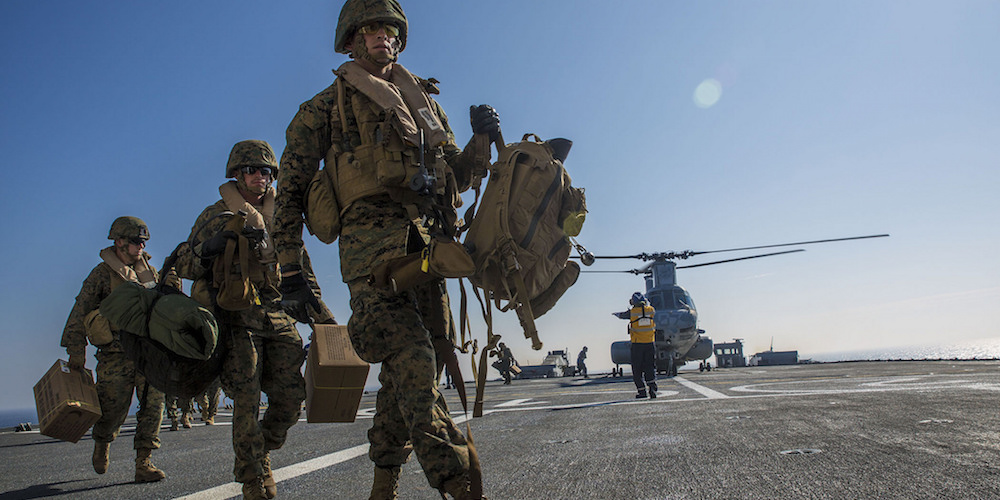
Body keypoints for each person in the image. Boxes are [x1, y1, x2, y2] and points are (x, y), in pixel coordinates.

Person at [272, 1, 498, 497]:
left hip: (429, 252)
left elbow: (456, 177)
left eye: (389, 29)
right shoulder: (323, 109)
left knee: (413, 373)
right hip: (372, 257)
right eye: (370, 28)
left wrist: (482, 141)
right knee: (411, 354)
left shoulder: (426, 106)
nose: (381, 36)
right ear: (353, 39)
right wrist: (289, 268)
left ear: (399, 38)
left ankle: (382, 484)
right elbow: (287, 191)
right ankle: (457, 478)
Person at [175, 140, 311, 499]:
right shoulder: (215, 214)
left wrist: (322, 317)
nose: (259, 177)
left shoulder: (280, 216)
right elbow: (185, 264)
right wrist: (213, 245)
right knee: (247, 400)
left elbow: (300, 269)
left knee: (292, 395)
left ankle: (262, 448)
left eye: (265, 171)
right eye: (251, 170)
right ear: (236, 174)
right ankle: (253, 478)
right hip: (236, 318)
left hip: (277, 317)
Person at [60, 216, 171, 482]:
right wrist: (76, 350)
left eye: (143, 242)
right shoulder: (101, 274)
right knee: (112, 408)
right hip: (115, 354)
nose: (140, 246)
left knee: (154, 407)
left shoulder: (152, 274)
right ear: (119, 242)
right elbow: (80, 312)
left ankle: (144, 462)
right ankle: (102, 442)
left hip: (150, 352)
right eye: (135, 241)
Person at [627, 292, 657, 399]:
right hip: (650, 344)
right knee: (650, 367)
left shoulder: (632, 312)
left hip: (637, 345)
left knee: (637, 369)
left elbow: (623, 315)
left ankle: (642, 391)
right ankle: (652, 388)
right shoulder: (651, 310)